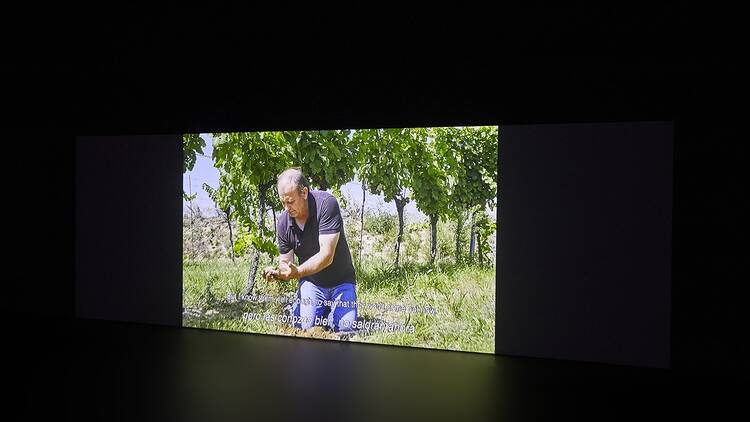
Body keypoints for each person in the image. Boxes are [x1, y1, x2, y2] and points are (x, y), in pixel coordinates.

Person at [262, 167, 357, 333]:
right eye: (282, 202)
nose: (286, 208)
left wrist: (297, 271)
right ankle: (305, 310)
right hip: (312, 283)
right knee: (306, 327)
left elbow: (326, 256)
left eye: (290, 201)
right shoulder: (284, 223)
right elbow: (286, 263)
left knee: (345, 328)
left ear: (304, 192)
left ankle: (329, 313)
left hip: (342, 282)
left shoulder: (327, 204)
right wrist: (278, 272)